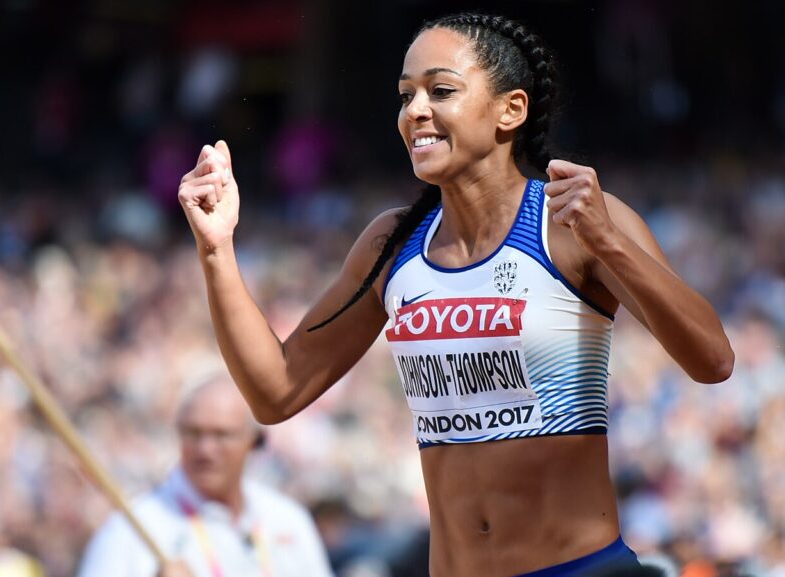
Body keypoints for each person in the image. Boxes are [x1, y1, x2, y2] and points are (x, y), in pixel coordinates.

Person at [177, 12, 734, 577]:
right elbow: (276, 392)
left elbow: (713, 360)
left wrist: (609, 244)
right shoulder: (392, 245)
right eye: (406, 96)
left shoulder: (574, 221)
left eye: (440, 91)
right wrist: (217, 249)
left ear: (511, 109)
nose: (415, 111)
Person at [76, 376, 334, 577]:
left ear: (255, 441)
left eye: (222, 435)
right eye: (193, 433)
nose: (205, 450)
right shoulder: (132, 529)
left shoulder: (287, 520)